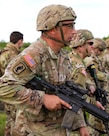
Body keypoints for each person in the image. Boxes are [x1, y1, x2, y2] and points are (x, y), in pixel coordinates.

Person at [0, 4, 89, 136]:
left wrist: (81, 125)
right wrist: (42, 99)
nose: (75, 31)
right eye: (69, 26)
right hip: (32, 131)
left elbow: (71, 95)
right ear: (52, 28)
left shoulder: (62, 56)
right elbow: (4, 87)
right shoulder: (34, 55)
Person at [68, 29, 105, 136]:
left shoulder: (73, 59)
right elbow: (76, 97)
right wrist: (94, 103)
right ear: (80, 45)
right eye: (90, 43)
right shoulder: (78, 66)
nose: (92, 47)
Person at [0, 31, 24, 136]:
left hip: (4, 89)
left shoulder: (3, 52)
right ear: (19, 41)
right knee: (15, 120)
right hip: (13, 90)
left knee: (9, 118)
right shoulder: (13, 55)